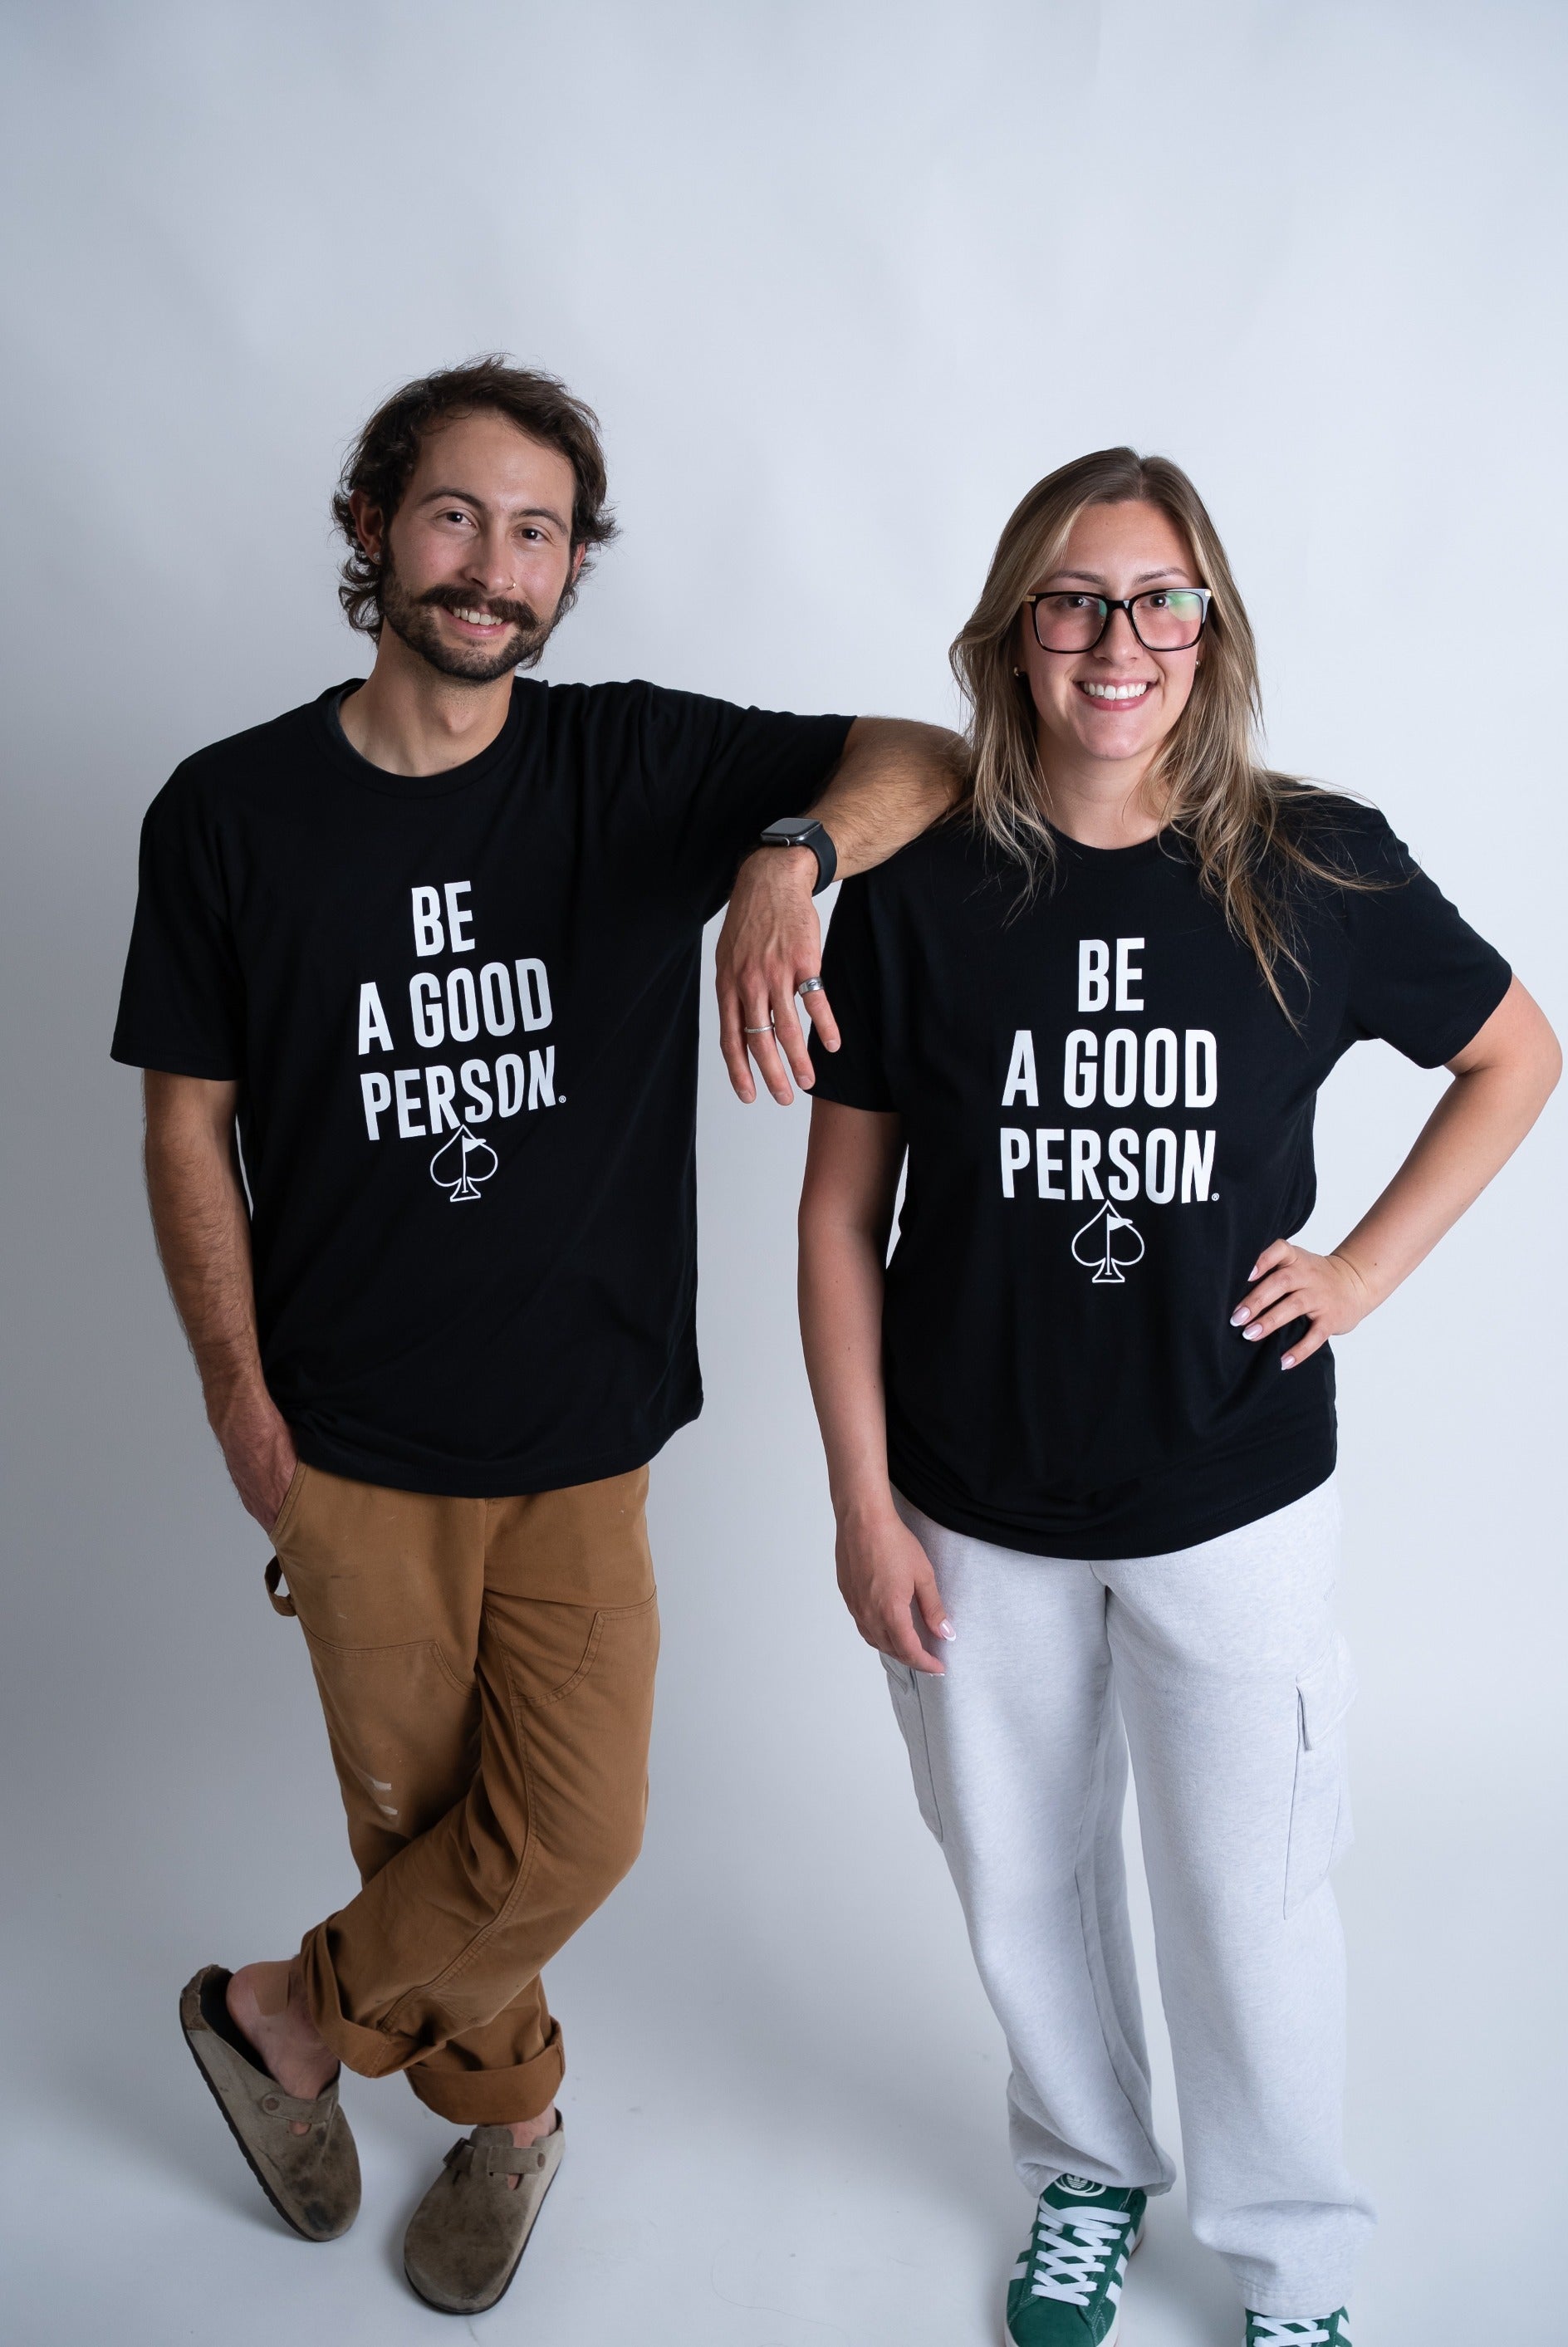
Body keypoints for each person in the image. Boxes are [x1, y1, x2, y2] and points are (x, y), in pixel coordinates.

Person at [111, 356, 962, 2316]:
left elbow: (919, 753)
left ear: (572, 568)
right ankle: (508, 2125)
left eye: (537, 532)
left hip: (580, 1433)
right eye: (452, 517)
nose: (492, 566)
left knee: (569, 1826)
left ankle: (275, 2018)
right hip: (345, 1441)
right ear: (369, 529)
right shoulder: (228, 810)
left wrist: (789, 856)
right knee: (420, 1827)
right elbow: (183, 1118)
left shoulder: (628, 768)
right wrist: (236, 1399)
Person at [796, 448, 1559, 2347]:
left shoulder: (1314, 863)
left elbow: (1511, 1053)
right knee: (1020, 1888)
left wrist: (1363, 1270)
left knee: (1249, 1906)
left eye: (1158, 599)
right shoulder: (919, 887)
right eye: (1070, 599)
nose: (1114, 639)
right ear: (1010, 635)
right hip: (971, 1504)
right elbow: (838, 1214)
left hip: (1230, 1493)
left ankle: (1291, 2255)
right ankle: (1085, 2170)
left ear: (1208, 634)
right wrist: (860, 1501)